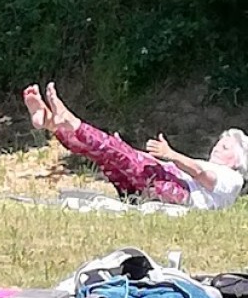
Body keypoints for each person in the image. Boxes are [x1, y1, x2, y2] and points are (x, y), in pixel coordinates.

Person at [23, 82, 247, 210]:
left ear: (238, 161)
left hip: (174, 192)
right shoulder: (212, 169)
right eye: (219, 144)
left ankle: (68, 121)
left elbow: (201, 175)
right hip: (154, 188)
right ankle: (53, 125)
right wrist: (130, 150)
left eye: (225, 148)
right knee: (107, 155)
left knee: (114, 152)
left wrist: (171, 154)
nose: (217, 148)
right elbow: (169, 167)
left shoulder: (232, 178)